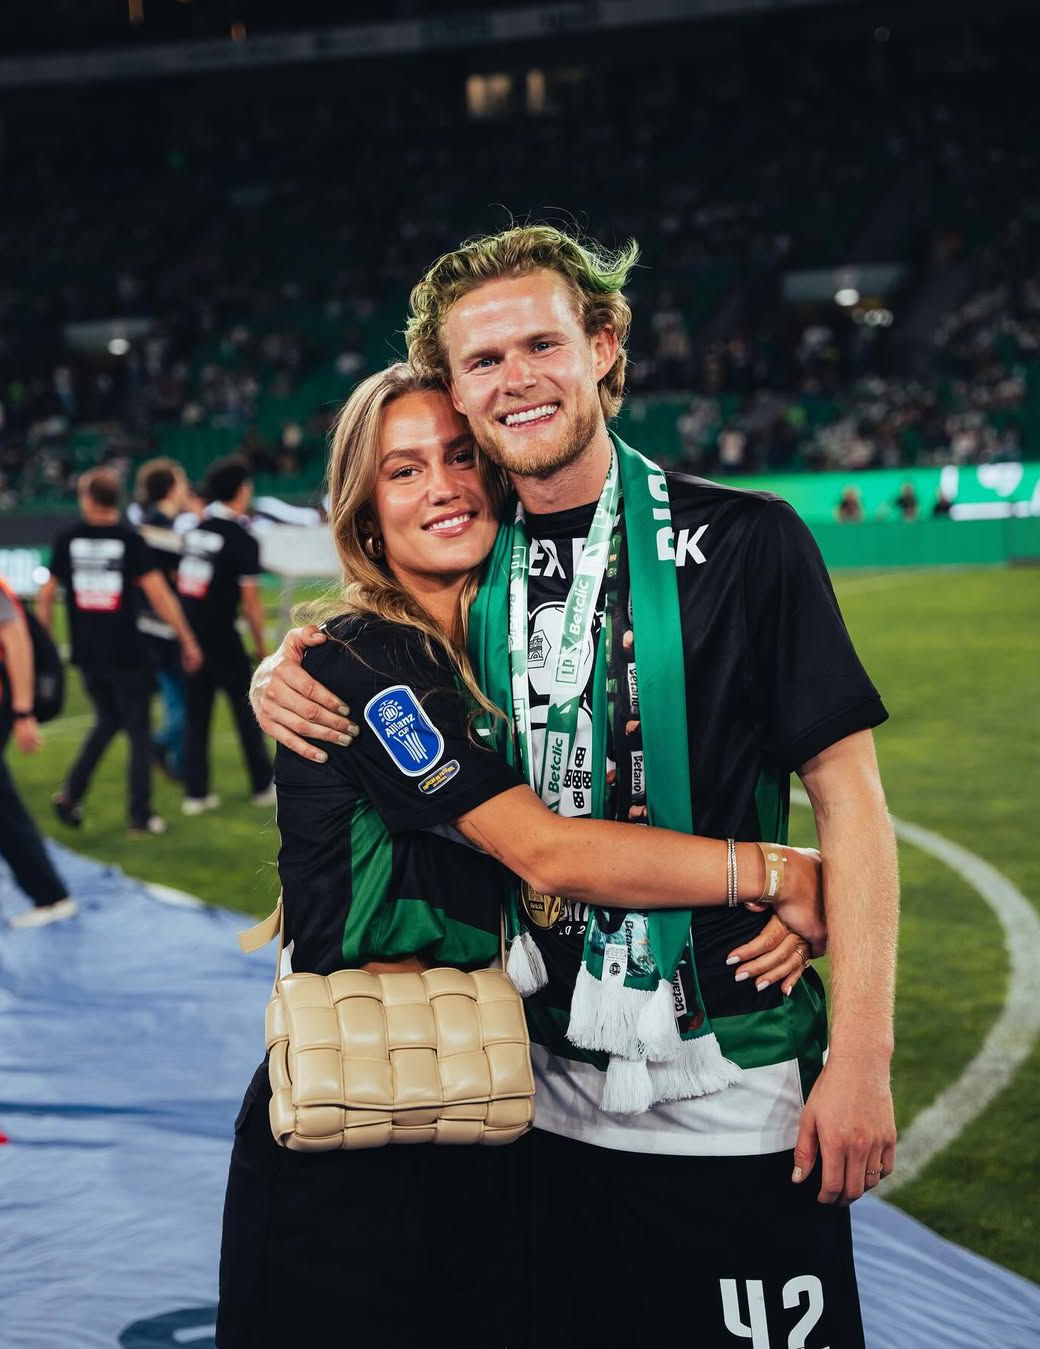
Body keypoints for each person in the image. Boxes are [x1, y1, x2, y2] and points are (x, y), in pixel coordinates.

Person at [255, 225, 899, 1348]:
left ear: (602, 346)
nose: (516, 379)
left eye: (541, 344)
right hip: (522, 1097)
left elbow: (853, 801)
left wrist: (861, 1058)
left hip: (729, 1083)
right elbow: (382, 650)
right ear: (457, 389)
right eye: (484, 360)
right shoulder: (467, 566)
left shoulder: (748, 540)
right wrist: (285, 666)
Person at [36, 467, 202, 837]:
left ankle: (70, 795)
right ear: (115, 499)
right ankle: (140, 817)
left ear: (87, 498)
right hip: (128, 652)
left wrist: (45, 642)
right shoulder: (129, 540)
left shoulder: (68, 538)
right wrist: (187, 638)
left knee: (108, 721)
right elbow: (159, 594)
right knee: (139, 733)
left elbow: (46, 594)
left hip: (88, 654)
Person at [0, 552, 75, 928]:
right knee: (1, 809)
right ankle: (51, 895)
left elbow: (18, 642)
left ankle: (50, 895)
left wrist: (24, 712)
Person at [178, 457, 273, 815]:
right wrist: (262, 649)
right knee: (247, 712)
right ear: (242, 490)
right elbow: (251, 604)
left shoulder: (196, 531)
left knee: (196, 716)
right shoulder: (241, 538)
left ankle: (196, 794)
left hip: (191, 634)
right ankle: (262, 785)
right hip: (222, 635)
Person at [135, 457, 189, 779]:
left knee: (176, 699)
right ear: (170, 487)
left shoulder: (152, 523)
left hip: (154, 627)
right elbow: (172, 583)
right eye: (181, 482)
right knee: (180, 701)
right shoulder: (159, 528)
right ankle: (159, 748)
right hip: (162, 629)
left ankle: (178, 764)